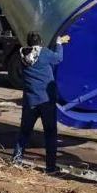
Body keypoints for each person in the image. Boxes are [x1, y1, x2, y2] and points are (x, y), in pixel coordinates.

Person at [12, 31, 70, 174]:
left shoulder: (21, 55)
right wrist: (59, 43)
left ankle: (16, 160)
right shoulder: (44, 53)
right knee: (50, 134)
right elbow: (58, 59)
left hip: (30, 101)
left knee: (24, 132)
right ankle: (50, 167)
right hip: (46, 101)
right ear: (41, 42)